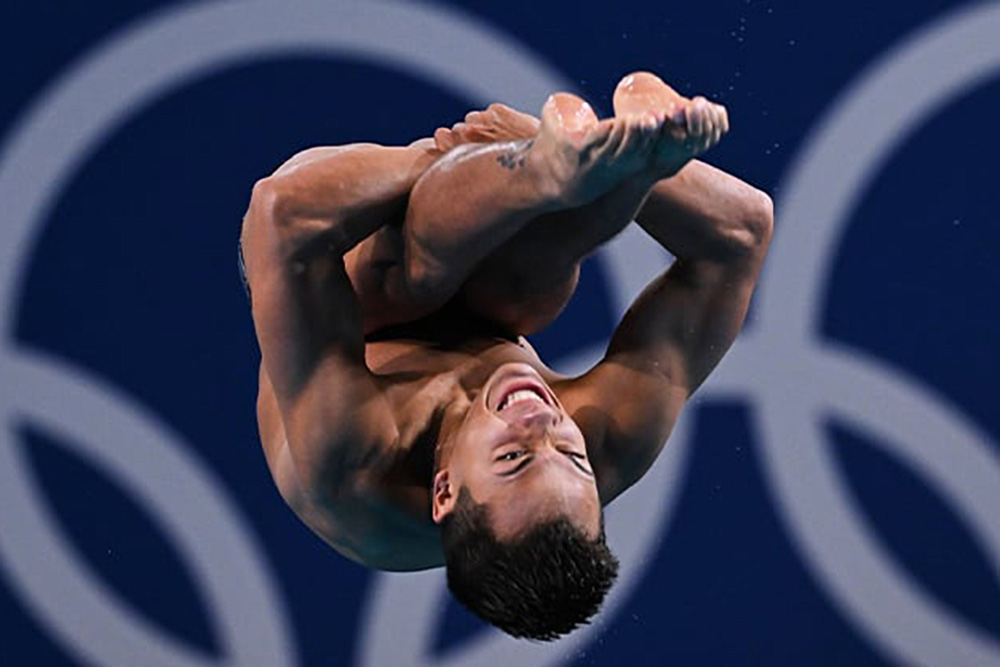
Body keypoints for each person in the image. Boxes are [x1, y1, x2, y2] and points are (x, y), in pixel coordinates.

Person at [239, 72, 773, 640]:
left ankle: (559, 171)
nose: (542, 420)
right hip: (499, 282)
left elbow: (280, 217)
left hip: (347, 269)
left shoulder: (354, 457)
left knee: (409, 276)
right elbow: (742, 233)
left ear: (443, 491)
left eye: (514, 457)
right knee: (532, 278)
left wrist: (480, 157)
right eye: (571, 454)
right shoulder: (609, 438)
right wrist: (658, 160)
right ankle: (632, 160)